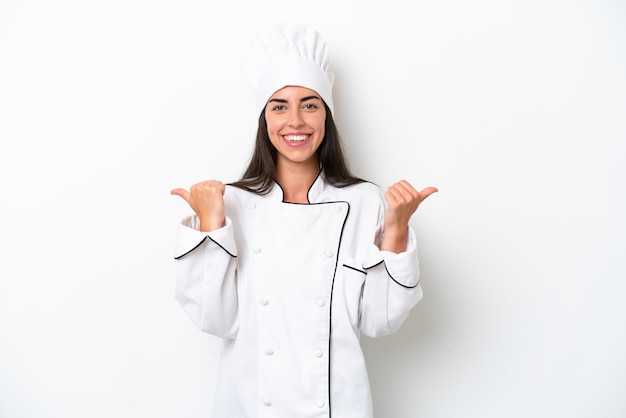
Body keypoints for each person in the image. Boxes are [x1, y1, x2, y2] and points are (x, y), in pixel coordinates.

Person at [170, 23, 437, 418]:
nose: (295, 121)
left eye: (309, 104)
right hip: (249, 405)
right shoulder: (232, 202)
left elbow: (379, 321)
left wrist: (396, 231)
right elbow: (216, 319)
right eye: (280, 106)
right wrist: (212, 227)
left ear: (326, 116)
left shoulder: (361, 201)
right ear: (265, 120)